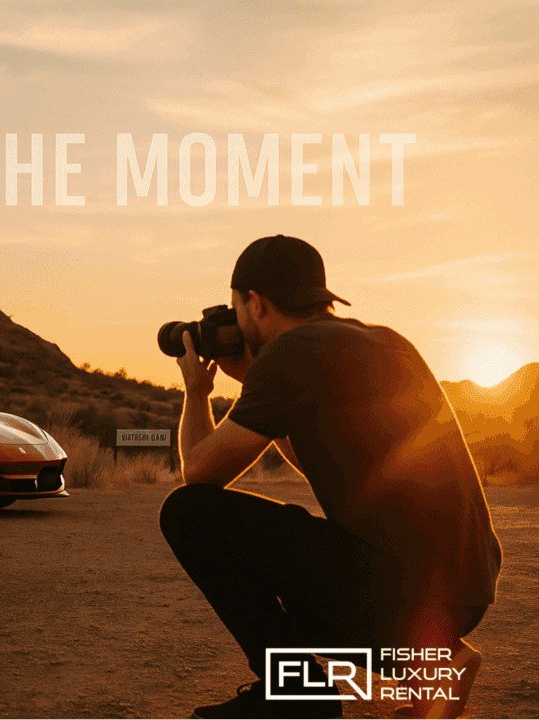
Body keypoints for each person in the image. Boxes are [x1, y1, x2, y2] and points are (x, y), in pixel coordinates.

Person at [159, 235, 501, 719]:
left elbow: (198, 473)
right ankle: (434, 662)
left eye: (236, 307)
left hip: (402, 593)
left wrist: (196, 391)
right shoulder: (383, 339)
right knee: (299, 600)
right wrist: (258, 393)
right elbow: (330, 460)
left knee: (188, 514)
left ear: (255, 303)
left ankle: (299, 697)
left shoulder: (289, 355)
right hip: (465, 586)